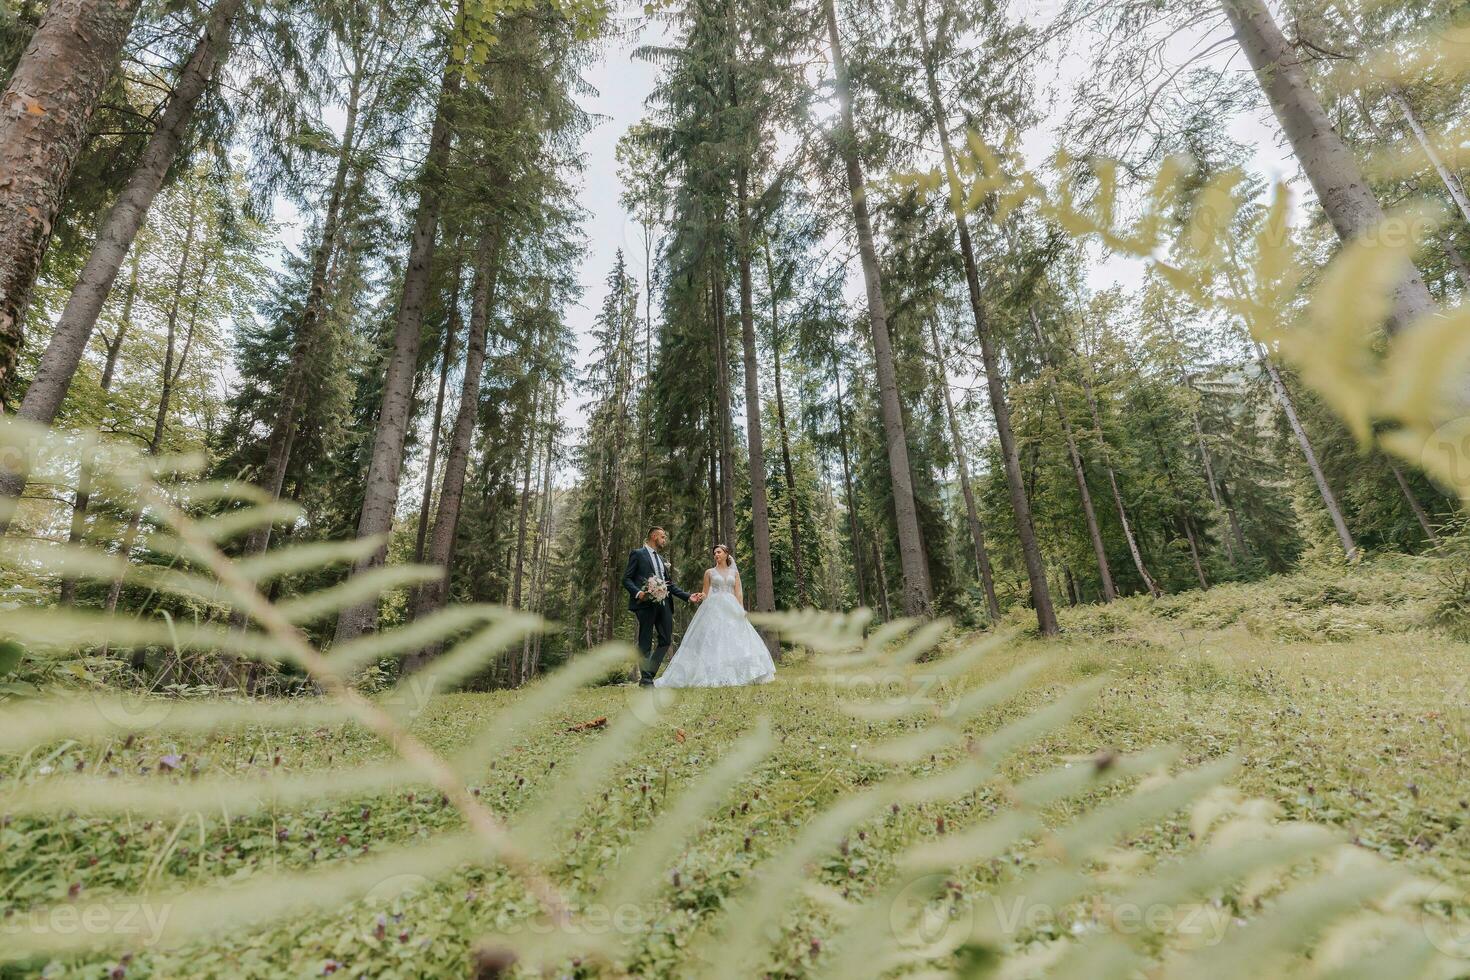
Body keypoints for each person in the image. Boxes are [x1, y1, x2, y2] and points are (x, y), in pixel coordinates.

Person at [654, 543, 776, 688]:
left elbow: (738, 593)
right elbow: (705, 592)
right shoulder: (709, 572)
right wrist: (700, 596)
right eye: (715, 553)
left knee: (735, 638)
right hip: (714, 608)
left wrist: (741, 609)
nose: (716, 555)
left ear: (726, 554)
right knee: (714, 638)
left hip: (731, 607)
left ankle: (742, 673)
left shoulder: (734, 573)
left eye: (719, 552)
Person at [623, 526, 703, 687]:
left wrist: (688, 596)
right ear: (654, 536)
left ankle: (648, 674)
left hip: (664, 603)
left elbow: (670, 585)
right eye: (662, 537)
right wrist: (639, 593)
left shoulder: (660, 559)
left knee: (666, 639)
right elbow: (626, 579)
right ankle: (646, 680)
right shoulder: (638, 554)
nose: (664, 540)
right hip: (645, 604)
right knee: (645, 640)